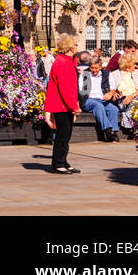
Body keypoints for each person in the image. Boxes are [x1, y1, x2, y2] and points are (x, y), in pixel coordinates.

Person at [43, 34, 81, 174]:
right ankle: (58, 163)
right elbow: (66, 88)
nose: (77, 46)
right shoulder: (63, 63)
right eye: (75, 44)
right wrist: (74, 107)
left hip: (65, 105)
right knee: (62, 136)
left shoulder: (67, 61)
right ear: (70, 47)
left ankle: (63, 161)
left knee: (66, 135)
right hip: (62, 105)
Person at [78, 52, 120, 142]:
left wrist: (110, 94)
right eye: (92, 68)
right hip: (88, 100)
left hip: (102, 100)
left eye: (96, 68)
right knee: (98, 106)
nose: (93, 70)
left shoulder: (106, 74)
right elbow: (82, 92)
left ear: (100, 67)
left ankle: (113, 132)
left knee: (113, 109)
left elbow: (113, 88)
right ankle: (108, 130)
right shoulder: (84, 74)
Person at [112, 53, 138, 133]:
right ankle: (134, 129)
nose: (135, 66)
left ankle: (134, 128)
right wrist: (113, 92)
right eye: (134, 64)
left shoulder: (135, 73)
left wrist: (132, 96)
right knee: (134, 104)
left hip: (134, 97)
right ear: (128, 64)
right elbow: (112, 88)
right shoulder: (115, 74)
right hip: (121, 99)